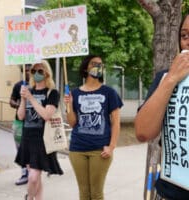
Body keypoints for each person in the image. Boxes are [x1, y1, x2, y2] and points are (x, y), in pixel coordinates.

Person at [135, 14, 189, 200]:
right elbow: (143, 132)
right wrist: (171, 79)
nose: (188, 42)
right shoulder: (166, 78)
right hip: (172, 192)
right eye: (184, 36)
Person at [64, 54, 123, 200]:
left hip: (100, 150)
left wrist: (111, 146)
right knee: (84, 194)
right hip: (77, 149)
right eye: (94, 63)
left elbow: (116, 122)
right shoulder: (75, 93)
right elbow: (72, 123)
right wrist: (69, 105)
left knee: (96, 194)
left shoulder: (109, 92)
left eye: (100, 64)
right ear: (85, 68)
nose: (98, 66)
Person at [15, 60, 63, 200]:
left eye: (40, 71)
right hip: (28, 139)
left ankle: (29, 197)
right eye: (34, 71)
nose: (36, 74)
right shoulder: (28, 91)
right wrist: (24, 99)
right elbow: (20, 116)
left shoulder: (52, 93)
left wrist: (31, 98)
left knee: (34, 177)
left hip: (43, 140)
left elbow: (47, 115)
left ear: (47, 73)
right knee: (36, 177)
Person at [10, 64, 31, 186]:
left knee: (33, 148)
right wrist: (19, 105)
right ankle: (24, 173)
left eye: (30, 71)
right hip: (19, 122)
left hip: (34, 124)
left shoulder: (37, 85)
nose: (28, 73)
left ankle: (33, 170)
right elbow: (11, 100)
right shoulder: (19, 85)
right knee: (20, 148)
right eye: (26, 71)